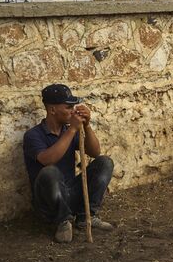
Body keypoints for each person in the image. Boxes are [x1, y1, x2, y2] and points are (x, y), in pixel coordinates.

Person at [23, 84, 114, 243]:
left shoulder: (68, 130)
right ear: (52, 110)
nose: (73, 111)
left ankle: (86, 217)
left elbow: (94, 152)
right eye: (68, 107)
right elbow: (47, 159)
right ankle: (62, 222)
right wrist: (72, 130)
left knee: (104, 162)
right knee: (50, 171)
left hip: (70, 191)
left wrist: (86, 125)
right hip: (50, 201)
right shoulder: (33, 135)